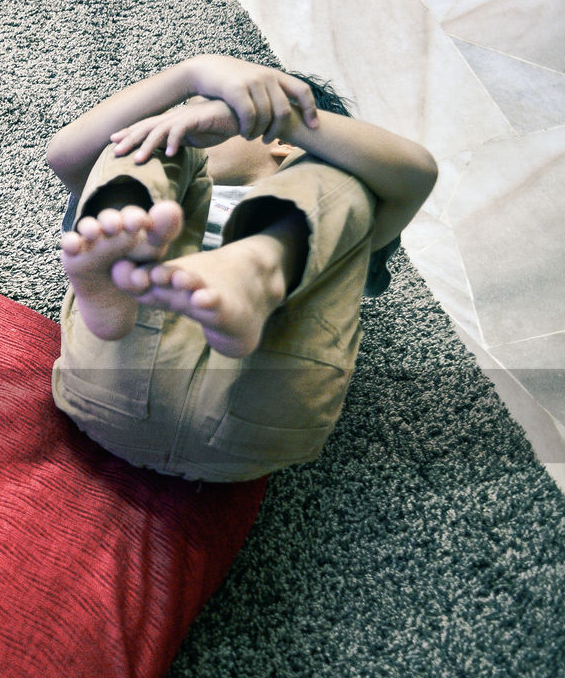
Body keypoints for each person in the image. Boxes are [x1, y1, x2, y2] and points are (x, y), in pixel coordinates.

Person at [44, 54, 438, 482]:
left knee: (347, 182)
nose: (194, 118)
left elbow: (417, 172)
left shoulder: (336, 221)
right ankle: (122, 253)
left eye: (223, 111)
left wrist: (283, 117)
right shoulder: (169, 199)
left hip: (255, 399)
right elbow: (63, 155)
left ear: (279, 140)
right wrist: (192, 74)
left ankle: (259, 268)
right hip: (118, 368)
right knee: (140, 140)